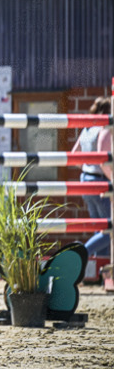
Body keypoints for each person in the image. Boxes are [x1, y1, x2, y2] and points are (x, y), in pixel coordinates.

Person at [71, 96, 112, 258]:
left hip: (85, 180)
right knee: (109, 230)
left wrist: (88, 167)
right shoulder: (105, 129)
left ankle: (100, 269)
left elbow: (75, 155)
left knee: (100, 228)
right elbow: (103, 161)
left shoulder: (86, 129)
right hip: (99, 180)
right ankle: (82, 253)